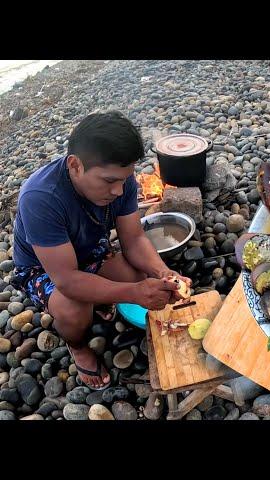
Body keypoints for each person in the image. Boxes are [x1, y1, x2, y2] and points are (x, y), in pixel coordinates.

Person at [10, 111, 191, 390]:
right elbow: (67, 280)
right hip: (43, 268)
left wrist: (163, 272)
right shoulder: (41, 198)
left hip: (90, 250)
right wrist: (134, 293)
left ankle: (102, 297)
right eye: (109, 182)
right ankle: (78, 345)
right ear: (75, 166)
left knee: (134, 273)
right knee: (74, 309)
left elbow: (133, 239)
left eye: (124, 179)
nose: (119, 191)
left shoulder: (123, 181)